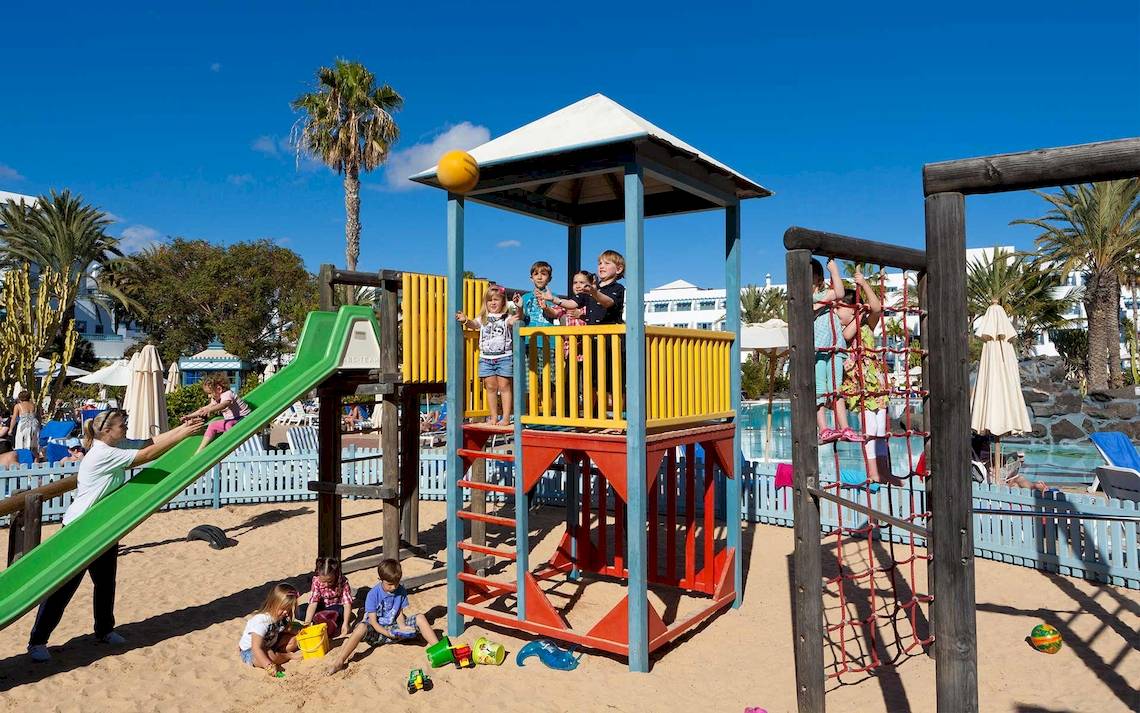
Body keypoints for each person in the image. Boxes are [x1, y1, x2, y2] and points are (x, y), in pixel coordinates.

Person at [27, 409, 205, 662]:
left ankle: (104, 630)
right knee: (64, 588)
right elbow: (145, 455)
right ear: (107, 431)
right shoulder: (103, 453)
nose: (126, 428)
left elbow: (147, 443)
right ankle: (37, 642)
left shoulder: (115, 444)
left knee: (105, 582)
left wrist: (184, 428)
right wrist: (183, 434)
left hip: (103, 526)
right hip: (80, 528)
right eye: (122, 425)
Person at [325, 558, 439, 675]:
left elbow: (399, 613)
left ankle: (439, 649)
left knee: (420, 617)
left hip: (394, 629)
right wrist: (387, 633)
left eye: (396, 583)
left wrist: (403, 627)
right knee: (360, 628)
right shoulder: (373, 594)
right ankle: (339, 661)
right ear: (381, 579)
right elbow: (373, 622)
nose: (394, 587)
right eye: (390, 584)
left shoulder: (401, 591)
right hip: (377, 632)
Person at [838, 269, 892, 483]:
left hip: (875, 382)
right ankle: (873, 471)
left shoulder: (868, 325)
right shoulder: (845, 332)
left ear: (852, 309)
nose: (836, 312)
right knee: (870, 428)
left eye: (840, 308)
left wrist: (864, 284)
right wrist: (860, 313)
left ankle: (883, 469)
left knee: (880, 428)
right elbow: (847, 334)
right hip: (860, 386)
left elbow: (877, 307)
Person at [456, 286, 522, 425]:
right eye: (489, 300)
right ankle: (493, 416)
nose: (493, 303)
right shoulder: (483, 318)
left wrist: (519, 308)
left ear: (503, 302)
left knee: (504, 386)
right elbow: (473, 325)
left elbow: (516, 319)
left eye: (496, 300)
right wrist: (465, 320)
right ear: (485, 303)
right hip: (486, 358)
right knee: (490, 386)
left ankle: (505, 417)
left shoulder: (506, 318)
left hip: (504, 357)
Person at [811, 258, 860, 444]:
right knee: (820, 391)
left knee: (836, 390)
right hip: (817, 350)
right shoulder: (807, 299)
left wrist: (834, 270)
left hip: (835, 348)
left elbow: (840, 292)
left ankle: (845, 427)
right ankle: (823, 428)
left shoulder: (824, 295)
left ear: (817, 278)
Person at [237, 583, 302, 674]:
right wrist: (268, 666)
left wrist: (301, 631)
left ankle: (278, 654)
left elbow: (286, 628)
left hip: (270, 642)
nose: (286, 612)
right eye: (283, 608)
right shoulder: (261, 622)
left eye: (289, 609)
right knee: (270, 656)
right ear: (273, 603)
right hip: (251, 651)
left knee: (294, 641)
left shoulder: (281, 616)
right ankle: (287, 656)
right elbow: (256, 648)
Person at [182, 374, 251, 452]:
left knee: (228, 424)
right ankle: (200, 450)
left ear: (219, 389)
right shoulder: (216, 398)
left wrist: (210, 410)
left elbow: (224, 405)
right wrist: (189, 416)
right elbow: (203, 409)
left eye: (210, 393)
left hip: (244, 418)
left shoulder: (227, 394)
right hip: (233, 420)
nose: (209, 396)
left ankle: (231, 445)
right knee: (212, 425)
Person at [299, 556, 354, 638]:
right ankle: (322, 618)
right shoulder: (316, 581)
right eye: (323, 582)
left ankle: (322, 619)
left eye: (330, 581)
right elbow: (313, 603)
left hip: (335, 608)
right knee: (299, 611)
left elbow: (347, 604)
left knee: (341, 611)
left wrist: (345, 623)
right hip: (321, 606)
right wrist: (307, 623)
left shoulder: (343, 581)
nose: (326, 585)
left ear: (335, 575)